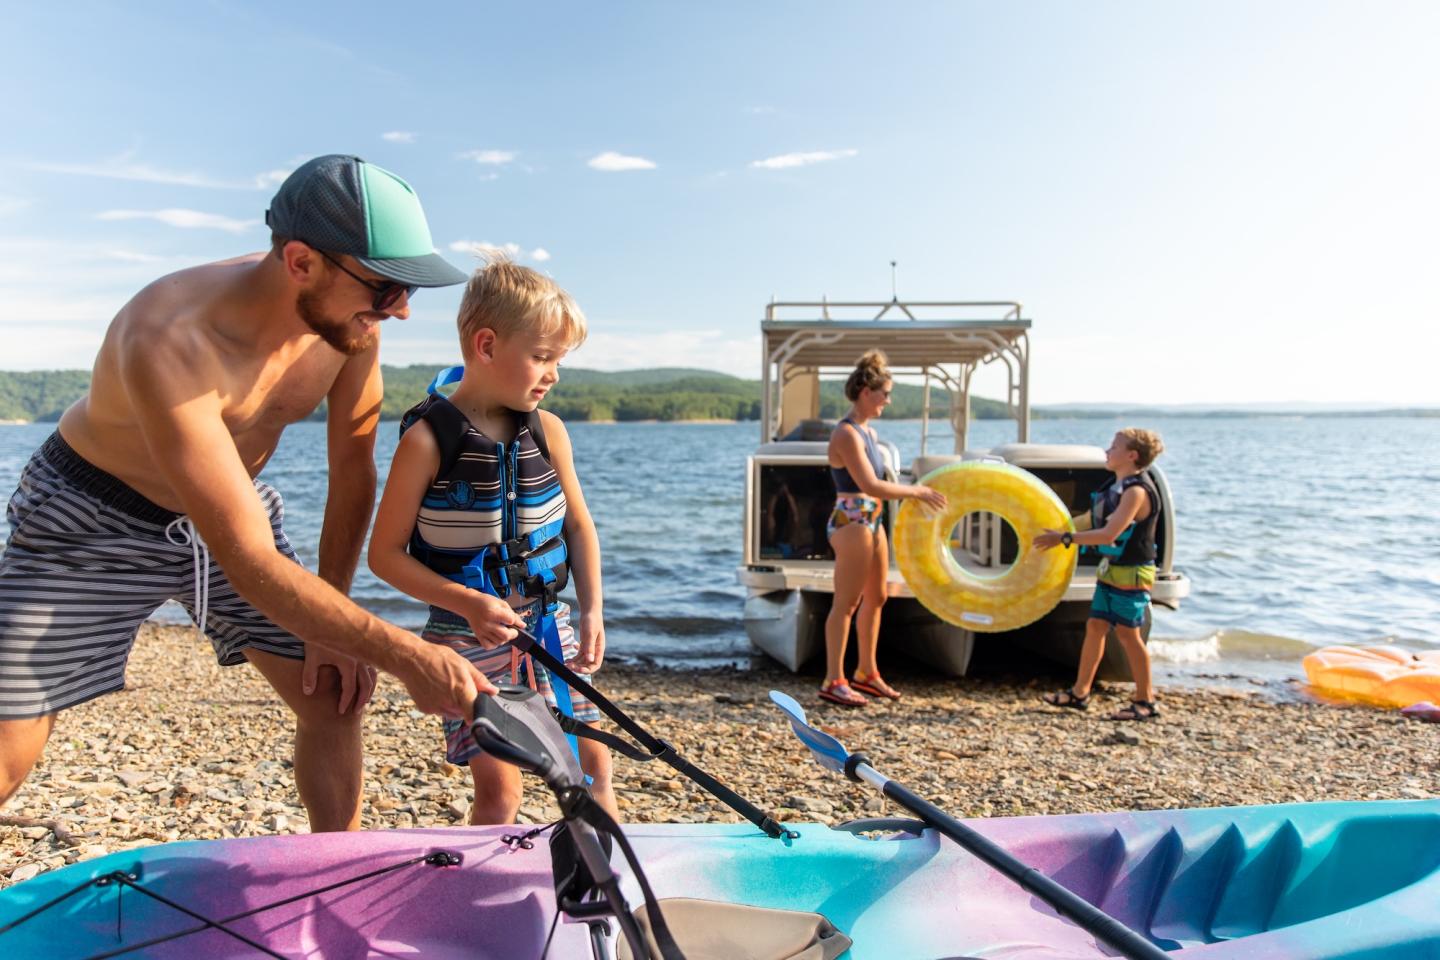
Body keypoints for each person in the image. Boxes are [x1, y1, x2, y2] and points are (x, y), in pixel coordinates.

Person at [0, 155, 520, 831]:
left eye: (407, 290)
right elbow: (245, 556)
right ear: (301, 262)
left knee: (334, 693)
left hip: (228, 503)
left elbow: (352, 467)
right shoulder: (168, 338)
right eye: (385, 287)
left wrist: (335, 614)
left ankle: (334, 883)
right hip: (89, 517)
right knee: (10, 750)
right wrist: (403, 653)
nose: (398, 311)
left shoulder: (347, 321)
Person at [368, 258, 617, 824]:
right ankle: (474, 898)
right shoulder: (429, 442)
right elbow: (383, 556)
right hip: (466, 637)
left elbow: (578, 525)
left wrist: (595, 608)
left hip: (547, 628)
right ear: (485, 345)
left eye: (560, 360)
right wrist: (468, 602)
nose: (553, 373)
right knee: (502, 789)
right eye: (542, 357)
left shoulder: (548, 431)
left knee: (594, 769)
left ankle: (612, 892)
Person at [819, 350, 946, 707]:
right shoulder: (846, 434)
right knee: (846, 603)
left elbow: (876, 488)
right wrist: (917, 491)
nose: (888, 401)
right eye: (884, 393)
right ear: (865, 391)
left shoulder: (868, 433)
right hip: (852, 521)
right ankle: (833, 679)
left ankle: (867, 673)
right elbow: (871, 485)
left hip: (871, 520)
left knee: (877, 598)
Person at [1034, 428, 1166, 721]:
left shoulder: (1136, 491)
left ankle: (1146, 701)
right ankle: (1080, 693)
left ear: (1132, 455)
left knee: (1128, 635)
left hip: (1133, 572)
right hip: (1112, 569)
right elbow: (1091, 520)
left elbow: (1109, 533)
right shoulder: (1116, 485)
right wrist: (1054, 527)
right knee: (1095, 626)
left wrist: (1064, 539)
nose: (1108, 451)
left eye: (1114, 447)